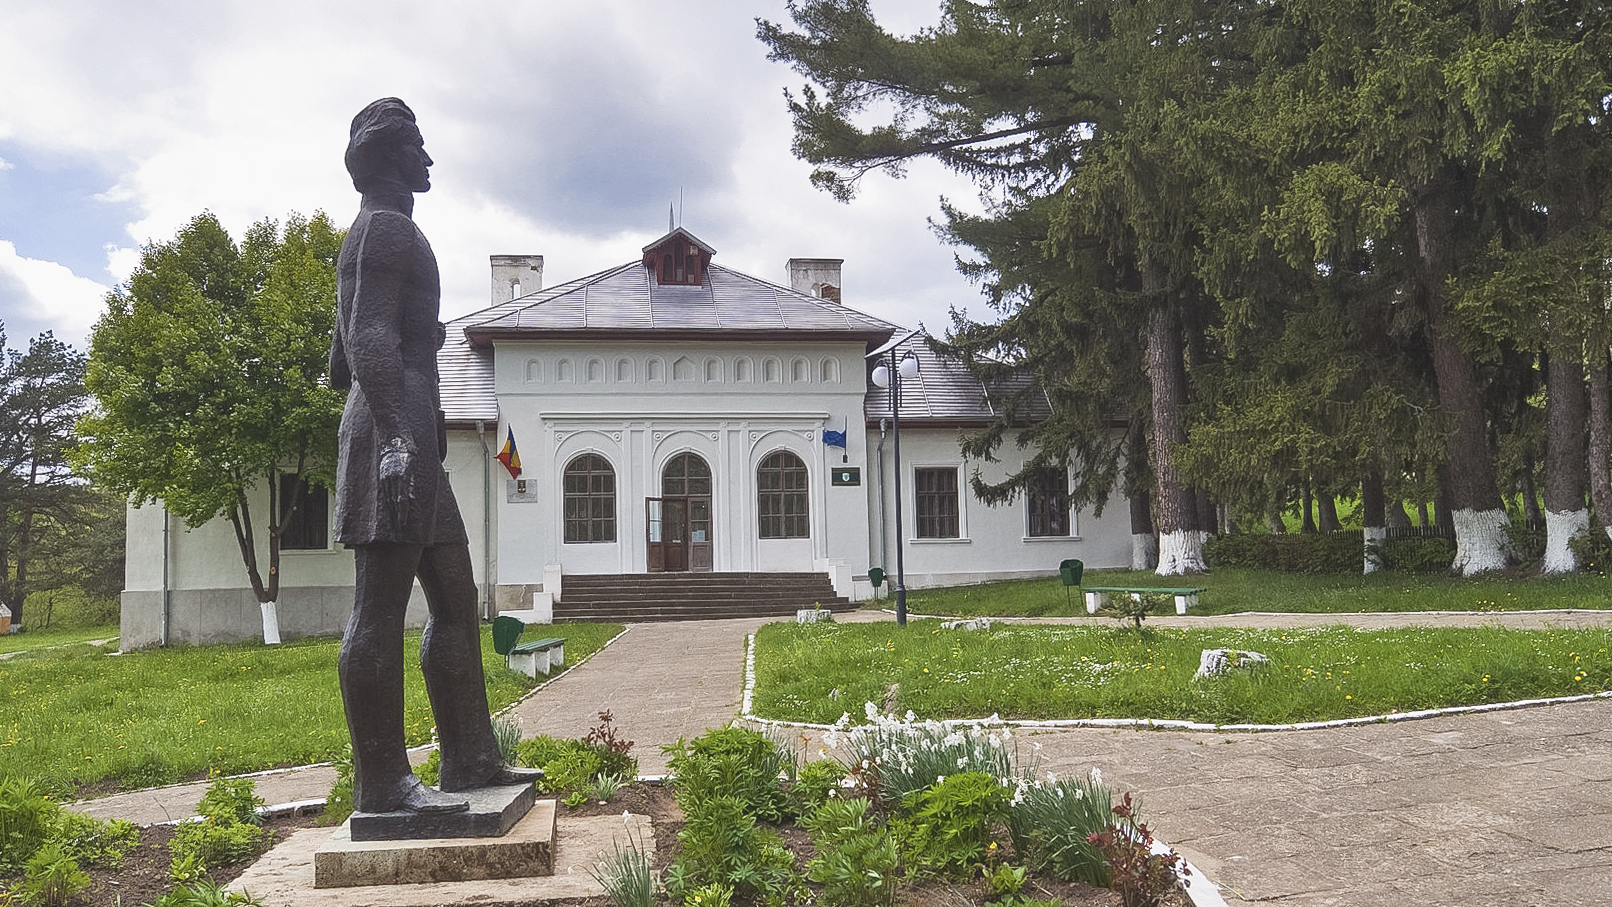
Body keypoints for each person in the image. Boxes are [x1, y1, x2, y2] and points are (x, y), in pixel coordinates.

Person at [331, 98, 537, 815]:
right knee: (379, 609)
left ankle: (471, 760)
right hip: (395, 436)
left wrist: (420, 335)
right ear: (390, 156)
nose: (429, 159)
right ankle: (384, 785)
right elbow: (366, 344)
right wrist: (393, 433)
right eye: (417, 147)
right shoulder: (386, 230)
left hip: (410, 429)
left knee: (456, 598)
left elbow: (338, 360)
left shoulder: (367, 237)